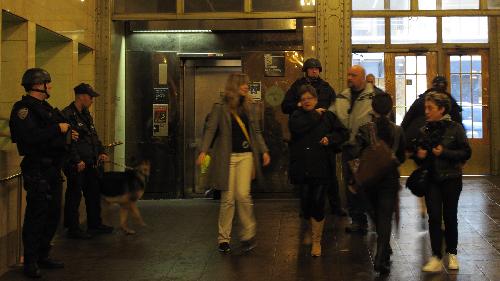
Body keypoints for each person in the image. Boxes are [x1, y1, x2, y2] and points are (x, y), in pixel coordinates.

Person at [9, 68, 79, 278]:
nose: (50, 86)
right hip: (37, 169)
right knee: (36, 216)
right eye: (48, 83)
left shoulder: (45, 108)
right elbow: (29, 138)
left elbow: (54, 132)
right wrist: (57, 130)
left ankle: (42, 254)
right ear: (39, 85)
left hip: (51, 169)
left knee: (52, 215)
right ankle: (30, 262)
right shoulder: (23, 110)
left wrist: (68, 134)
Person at [197, 73, 271, 253]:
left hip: (246, 156)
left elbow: (256, 131)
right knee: (228, 199)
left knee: (243, 195)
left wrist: (264, 150)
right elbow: (210, 129)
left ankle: (248, 235)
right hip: (227, 158)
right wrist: (203, 151)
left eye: (247, 84)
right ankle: (224, 238)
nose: (247, 87)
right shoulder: (220, 107)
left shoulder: (249, 107)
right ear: (234, 86)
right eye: (243, 84)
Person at [413, 92, 471, 272]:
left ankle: (452, 254)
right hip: (432, 180)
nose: (427, 112)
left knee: (450, 216)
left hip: (451, 179)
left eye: (430, 108)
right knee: (434, 218)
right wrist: (420, 156)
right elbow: (420, 157)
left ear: (442, 109)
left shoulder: (456, 129)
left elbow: (466, 153)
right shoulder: (424, 130)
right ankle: (436, 256)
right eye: (425, 108)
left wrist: (444, 152)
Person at [288, 85, 348, 257]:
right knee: (306, 203)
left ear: (315, 99)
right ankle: (308, 228)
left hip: (321, 167)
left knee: (318, 202)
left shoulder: (328, 116)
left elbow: (343, 133)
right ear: (300, 101)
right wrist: (315, 114)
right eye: (304, 98)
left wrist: (330, 138)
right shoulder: (296, 116)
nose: (307, 101)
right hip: (302, 167)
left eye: (310, 98)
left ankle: (316, 240)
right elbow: (298, 128)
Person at [281, 58, 345, 216]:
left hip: (323, 134)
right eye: (311, 69)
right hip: (303, 134)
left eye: (317, 69)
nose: (314, 71)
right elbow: (285, 106)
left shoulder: (326, 87)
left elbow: (335, 107)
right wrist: (301, 105)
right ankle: (306, 210)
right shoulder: (297, 86)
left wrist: (329, 125)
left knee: (330, 176)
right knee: (305, 181)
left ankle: (335, 206)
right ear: (306, 70)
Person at [350, 93, 406, 274]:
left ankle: (383, 250)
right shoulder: (397, 131)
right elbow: (402, 157)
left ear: (372, 109)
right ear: (390, 109)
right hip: (389, 180)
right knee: (385, 218)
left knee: (375, 214)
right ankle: (381, 257)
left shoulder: (364, 129)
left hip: (369, 182)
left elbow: (355, 154)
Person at [62, 83, 113, 238]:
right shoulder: (67, 115)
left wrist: (101, 152)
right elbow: (69, 142)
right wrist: (76, 160)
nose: (92, 100)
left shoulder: (86, 115)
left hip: (90, 162)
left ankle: (95, 224)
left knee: (93, 193)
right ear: (81, 96)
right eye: (90, 97)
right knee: (74, 196)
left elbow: (93, 137)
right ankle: (73, 229)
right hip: (77, 164)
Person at [330, 65, 376, 234]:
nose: (349, 78)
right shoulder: (342, 97)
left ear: (363, 78)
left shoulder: (375, 95)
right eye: (348, 75)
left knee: (367, 186)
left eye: (354, 75)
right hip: (348, 150)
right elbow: (332, 117)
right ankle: (358, 221)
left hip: (366, 150)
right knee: (350, 186)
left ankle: (375, 220)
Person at [401, 75, 462, 148]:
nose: (427, 112)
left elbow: (408, 117)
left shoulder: (422, 99)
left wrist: (402, 133)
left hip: (421, 141)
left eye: (430, 108)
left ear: (433, 85)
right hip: (445, 142)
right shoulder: (450, 101)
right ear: (446, 87)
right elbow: (458, 120)